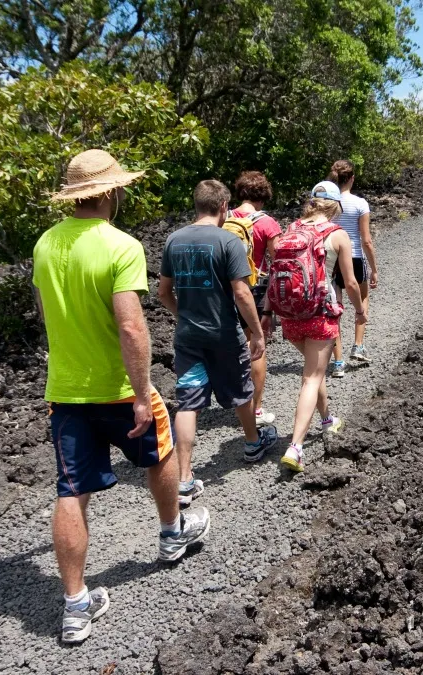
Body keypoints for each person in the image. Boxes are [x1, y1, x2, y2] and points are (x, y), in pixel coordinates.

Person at [34, 149, 210, 645]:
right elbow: (132, 327)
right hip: (116, 388)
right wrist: (139, 392)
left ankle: (74, 606)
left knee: (71, 491)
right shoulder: (121, 245)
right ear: (110, 192)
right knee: (161, 452)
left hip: (65, 391)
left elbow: (48, 317)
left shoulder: (45, 245)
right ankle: (173, 534)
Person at [158, 180, 279, 506]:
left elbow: (163, 293)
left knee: (188, 403)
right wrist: (255, 332)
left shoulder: (173, 240)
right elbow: (241, 293)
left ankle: (184, 478)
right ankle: (253, 444)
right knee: (241, 389)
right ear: (224, 206)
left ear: (197, 205)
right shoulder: (228, 241)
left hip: (188, 337)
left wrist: (183, 315)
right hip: (224, 333)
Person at [260, 181, 365, 472]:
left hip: (290, 315)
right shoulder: (338, 234)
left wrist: (267, 313)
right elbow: (352, 282)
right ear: (335, 207)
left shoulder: (289, 231)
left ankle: (328, 420)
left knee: (313, 371)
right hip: (320, 312)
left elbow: (273, 275)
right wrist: (359, 311)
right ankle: (295, 447)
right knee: (311, 377)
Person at [229, 171, 282, 426]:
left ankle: (236, 400)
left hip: (228, 288)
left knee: (234, 346)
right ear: (262, 196)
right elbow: (279, 262)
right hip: (256, 288)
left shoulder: (225, 218)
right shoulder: (267, 223)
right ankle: (256, 409)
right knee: (257, 347)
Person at [326, 159, 377, 378]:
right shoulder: (360, 203)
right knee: (362, 297)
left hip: (332, 258)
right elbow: (366, 240)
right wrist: (374, 268)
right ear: (352, 178)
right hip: (354, 257)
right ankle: (358, 345)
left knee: (335, 307)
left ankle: (338, 363)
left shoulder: (328, 203)